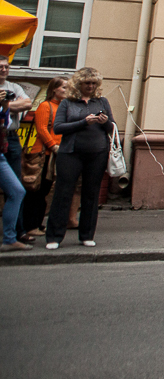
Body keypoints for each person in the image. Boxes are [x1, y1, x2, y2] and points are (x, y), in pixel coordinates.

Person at [43, 67, 112, 250]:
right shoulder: (68, 103)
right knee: (63, 193)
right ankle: (54, 237)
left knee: (91, 194)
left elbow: (112, 128)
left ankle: (87, 235)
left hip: (97, 153)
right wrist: (84, 122)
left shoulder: (102, 102)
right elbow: (58, 128)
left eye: (93, 83)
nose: (90, 86)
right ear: (79, 84)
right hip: (70, 153)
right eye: (86, 83)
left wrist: (105, 122)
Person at [20, 77, 68, 242]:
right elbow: (41, 128)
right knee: (36, 190)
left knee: (45, 191)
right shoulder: (45, 106)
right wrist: (53, 145)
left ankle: (37, 224)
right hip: (42, 154)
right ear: (54, 89)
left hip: (54, 154)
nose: (66, 90)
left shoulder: (62, 107)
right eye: (64, 87)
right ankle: (30, 226)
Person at [0, 57, 34, 252]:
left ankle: (13, 236)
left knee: (17, 188)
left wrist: (6, 104)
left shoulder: (13, 86)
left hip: (8, 140)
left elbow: (27, 104)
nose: (4, 69)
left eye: (6, 66)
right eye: (0, 67)